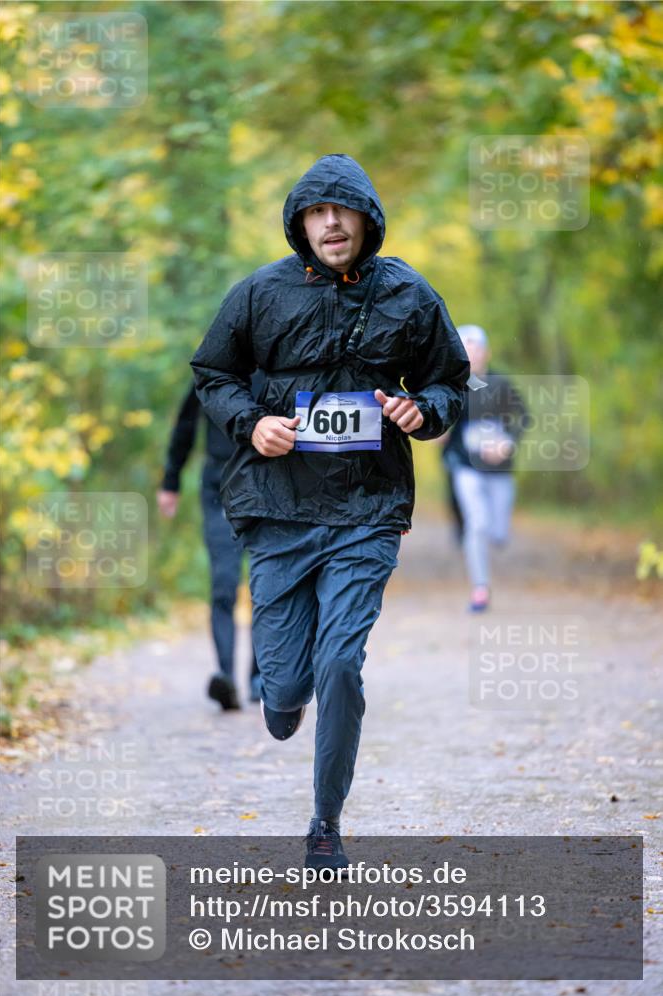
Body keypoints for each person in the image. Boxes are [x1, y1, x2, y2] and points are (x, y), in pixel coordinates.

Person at [191, 153, 469, 870]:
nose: (331, 223)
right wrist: (252, 422)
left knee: (341, 661)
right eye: (316, 212)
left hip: (367, 506)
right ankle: (284, 695)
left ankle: (325, 822)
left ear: (367, 219)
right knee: (283, 687)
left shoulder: (408, 293)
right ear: (300, 224)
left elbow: (449, 382)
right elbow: (212, 373)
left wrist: (422, 410)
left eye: (342, 210)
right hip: (278, 506)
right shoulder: (260, 293)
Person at [156, 377, 262, 709]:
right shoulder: (211, 370)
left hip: (267, 486)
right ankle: (226, 678)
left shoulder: (276, 363)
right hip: (219, 487)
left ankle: (260, 678)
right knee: (223, 586)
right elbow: (186, 424)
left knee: (266, 586)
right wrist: (171, 481)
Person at [441, 324, 529, 612]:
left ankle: (495, 537)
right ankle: (480, 587)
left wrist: (507, 443)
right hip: (465, 466)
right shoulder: (453, 386)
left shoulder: (501, 384)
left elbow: (524, 417)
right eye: (465, 349)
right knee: (476, 523)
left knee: (498, 533)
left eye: (476, 348)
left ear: (486, 352)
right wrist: (437, 430)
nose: (471, 354)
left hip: (499, 470)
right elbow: (440, 422)